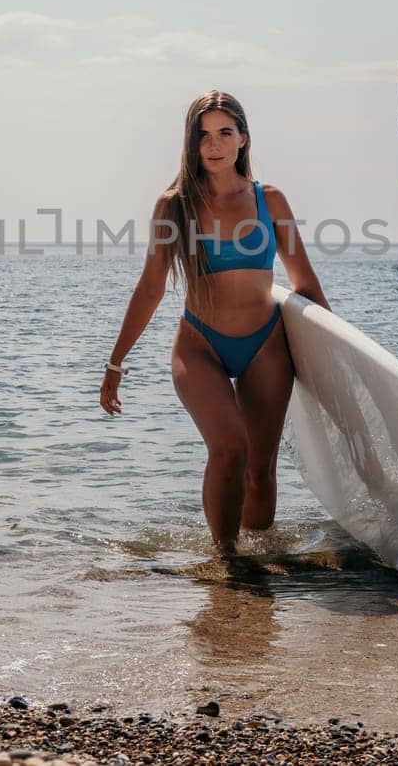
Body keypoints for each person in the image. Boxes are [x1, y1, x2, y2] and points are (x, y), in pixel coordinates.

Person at [100, 90, 330, 554]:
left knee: (261, 468)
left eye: (225, 132)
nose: (214, 144)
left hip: (266, 343)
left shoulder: (271, 201)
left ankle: (259, 564)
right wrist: (115, 363)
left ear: (243, 138)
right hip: (200, 344)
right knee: (229, 447)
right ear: (191, 143)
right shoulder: (175, 205)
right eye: (203, 135)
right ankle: (225, 562)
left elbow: (305, 284)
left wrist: (338, 368)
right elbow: (151, 287)